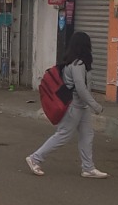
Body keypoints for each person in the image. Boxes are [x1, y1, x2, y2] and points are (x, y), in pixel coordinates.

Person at [26, 31, 108, 179]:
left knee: (87, 135)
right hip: (74, 107)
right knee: (63, 135)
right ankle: (35, 158)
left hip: (81, 107)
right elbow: (81, 88)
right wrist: (96, 106)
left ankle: (88, 168)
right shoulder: (78, 64)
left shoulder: (75, 63)